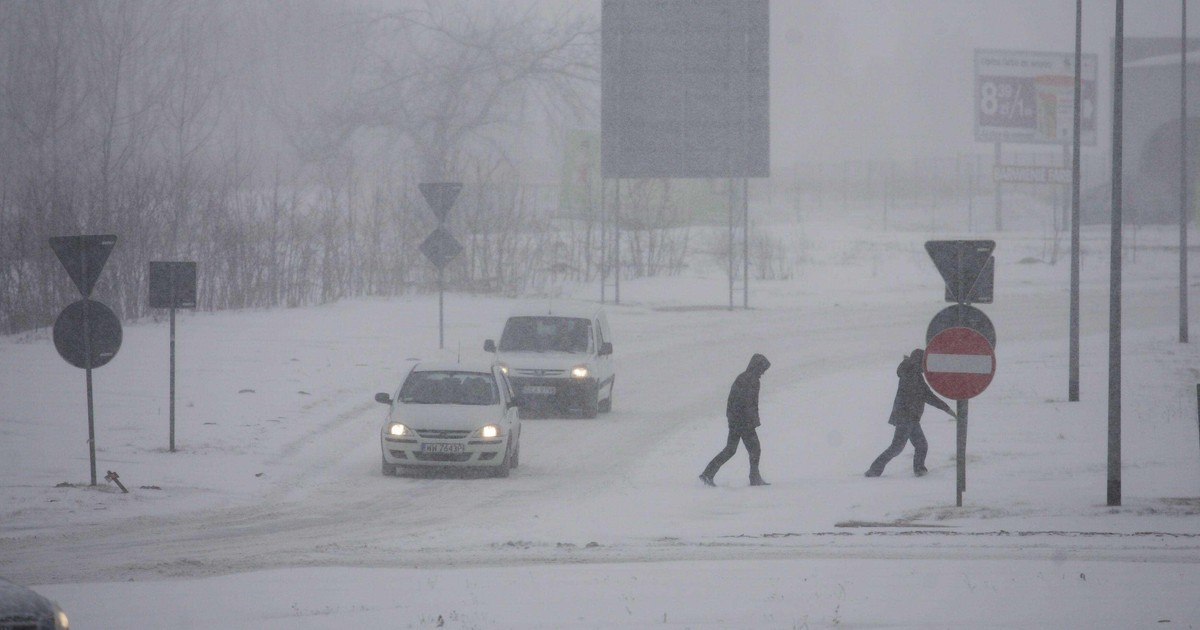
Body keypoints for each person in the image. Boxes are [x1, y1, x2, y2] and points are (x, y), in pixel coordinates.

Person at [865, 348, 956, 478]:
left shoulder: (912, 373)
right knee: (897, 447)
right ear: (919, 361)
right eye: (924, 362)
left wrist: (946, 408)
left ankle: (919, 470)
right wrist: (947, 409)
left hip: (910, 418)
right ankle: (875, 470)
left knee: (920, 445)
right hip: (906, 418)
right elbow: (926, 395)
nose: (926, 366)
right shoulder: (911, 374)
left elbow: (925, 394)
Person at [700, 353, 771, 487]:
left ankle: (707, 474)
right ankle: (754, 478)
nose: (763, 373)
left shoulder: (744, 377)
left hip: (737, 420)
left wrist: (733, 419)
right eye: (763, 369)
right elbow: (748, 403)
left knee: (731, 449)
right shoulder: (751, 380)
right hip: (743, 422)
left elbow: (735, 402)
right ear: (757, 367)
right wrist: (751, 421)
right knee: (755, 449)